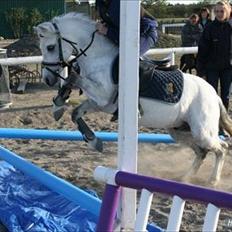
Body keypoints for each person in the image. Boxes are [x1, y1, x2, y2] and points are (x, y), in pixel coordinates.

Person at [196, 0, 232, 110]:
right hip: (211, 68)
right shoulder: (209, 28)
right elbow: (202, 50)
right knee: (212, 95)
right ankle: (214, 121)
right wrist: (200, 70)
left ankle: (224, 122)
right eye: (216, 11)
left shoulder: (230, 28)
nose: (219, 14)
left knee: (225, 96)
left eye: (222, 11)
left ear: (227, 11)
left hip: (228, 67)